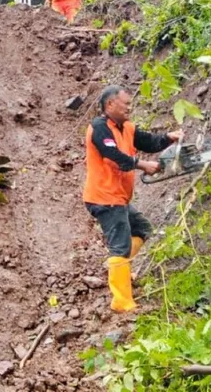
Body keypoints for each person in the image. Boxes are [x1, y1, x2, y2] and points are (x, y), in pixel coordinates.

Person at [83, 86, 182, 313]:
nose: (129, 107)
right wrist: (143, 164)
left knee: (142, 230)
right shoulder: (99, 128)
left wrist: (168, 138)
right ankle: (122, 302)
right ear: (110, 105)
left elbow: (148, 142)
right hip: (104, 198)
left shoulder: (126, 127)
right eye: (125, 104)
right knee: (120, 246)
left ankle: (121, 270)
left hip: (118, 198)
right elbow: (113, 157)